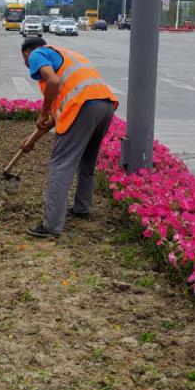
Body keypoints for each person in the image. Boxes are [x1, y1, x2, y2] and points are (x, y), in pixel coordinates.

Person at [19, 36, 118, 239]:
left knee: (60, 165)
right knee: (87, 162)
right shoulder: (67, 55)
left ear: (27, 53)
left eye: (25, 61)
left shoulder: (38, 54)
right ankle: (82, 208)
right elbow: (58, 116)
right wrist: (32, 140)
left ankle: (51, 225)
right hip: (104, 105)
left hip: (83, 106)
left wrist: (43, 112)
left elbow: (53, 82)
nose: (29, 67)